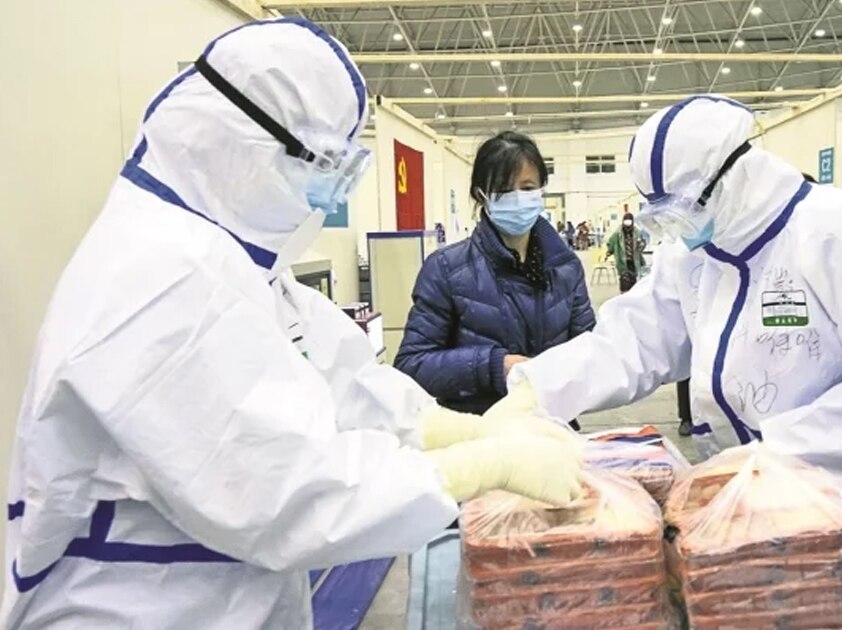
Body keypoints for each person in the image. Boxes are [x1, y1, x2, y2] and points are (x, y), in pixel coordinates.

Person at [2, 19, 582, 628]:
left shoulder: (243, 266)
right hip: (140, 611)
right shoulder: (158, 276)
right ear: (244, 144)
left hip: (232, 596)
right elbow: (284, 494)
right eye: (324, 163)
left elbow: (353, 387)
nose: (330, 193)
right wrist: (481, 466)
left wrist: (468, 431)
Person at [489, 96, 842, 628]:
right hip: (760, 505)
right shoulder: (697, 251)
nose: (679, 225)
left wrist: (773, 455)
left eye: (686, 206)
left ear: (738, 171)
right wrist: (535, 389)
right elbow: (633, 339)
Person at [395, 131, 595, 427]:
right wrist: (493, 366)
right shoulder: (446, 269)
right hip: (478, 439)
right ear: (481, 195)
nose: (518, 198)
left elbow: (590, 352)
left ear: (541, 190)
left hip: (554, 434)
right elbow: (411, 366)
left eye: (527, 187)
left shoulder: (566, 268)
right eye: (504, 190)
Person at [604, 212, 647, 293]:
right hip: (622, 261)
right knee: (624, 282)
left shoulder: (637, 232)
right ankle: (623, 298)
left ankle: (632, 299)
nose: (627, 222)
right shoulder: (617, 233)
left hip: (634, 261)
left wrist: (641, 245)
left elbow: (643, 244)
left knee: (633, 283)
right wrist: (609, 252)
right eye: (626, 220)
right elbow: (611, 243)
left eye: (629, 220)